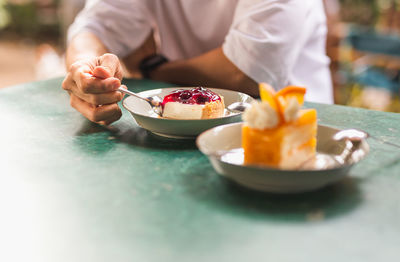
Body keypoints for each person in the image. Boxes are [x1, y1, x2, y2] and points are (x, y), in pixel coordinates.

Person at [62, 0, 333, 125]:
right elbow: (95, 27)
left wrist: (151, 67)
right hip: (178, 130)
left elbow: (245, 73)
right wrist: (85, 69)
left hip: (292, 128)